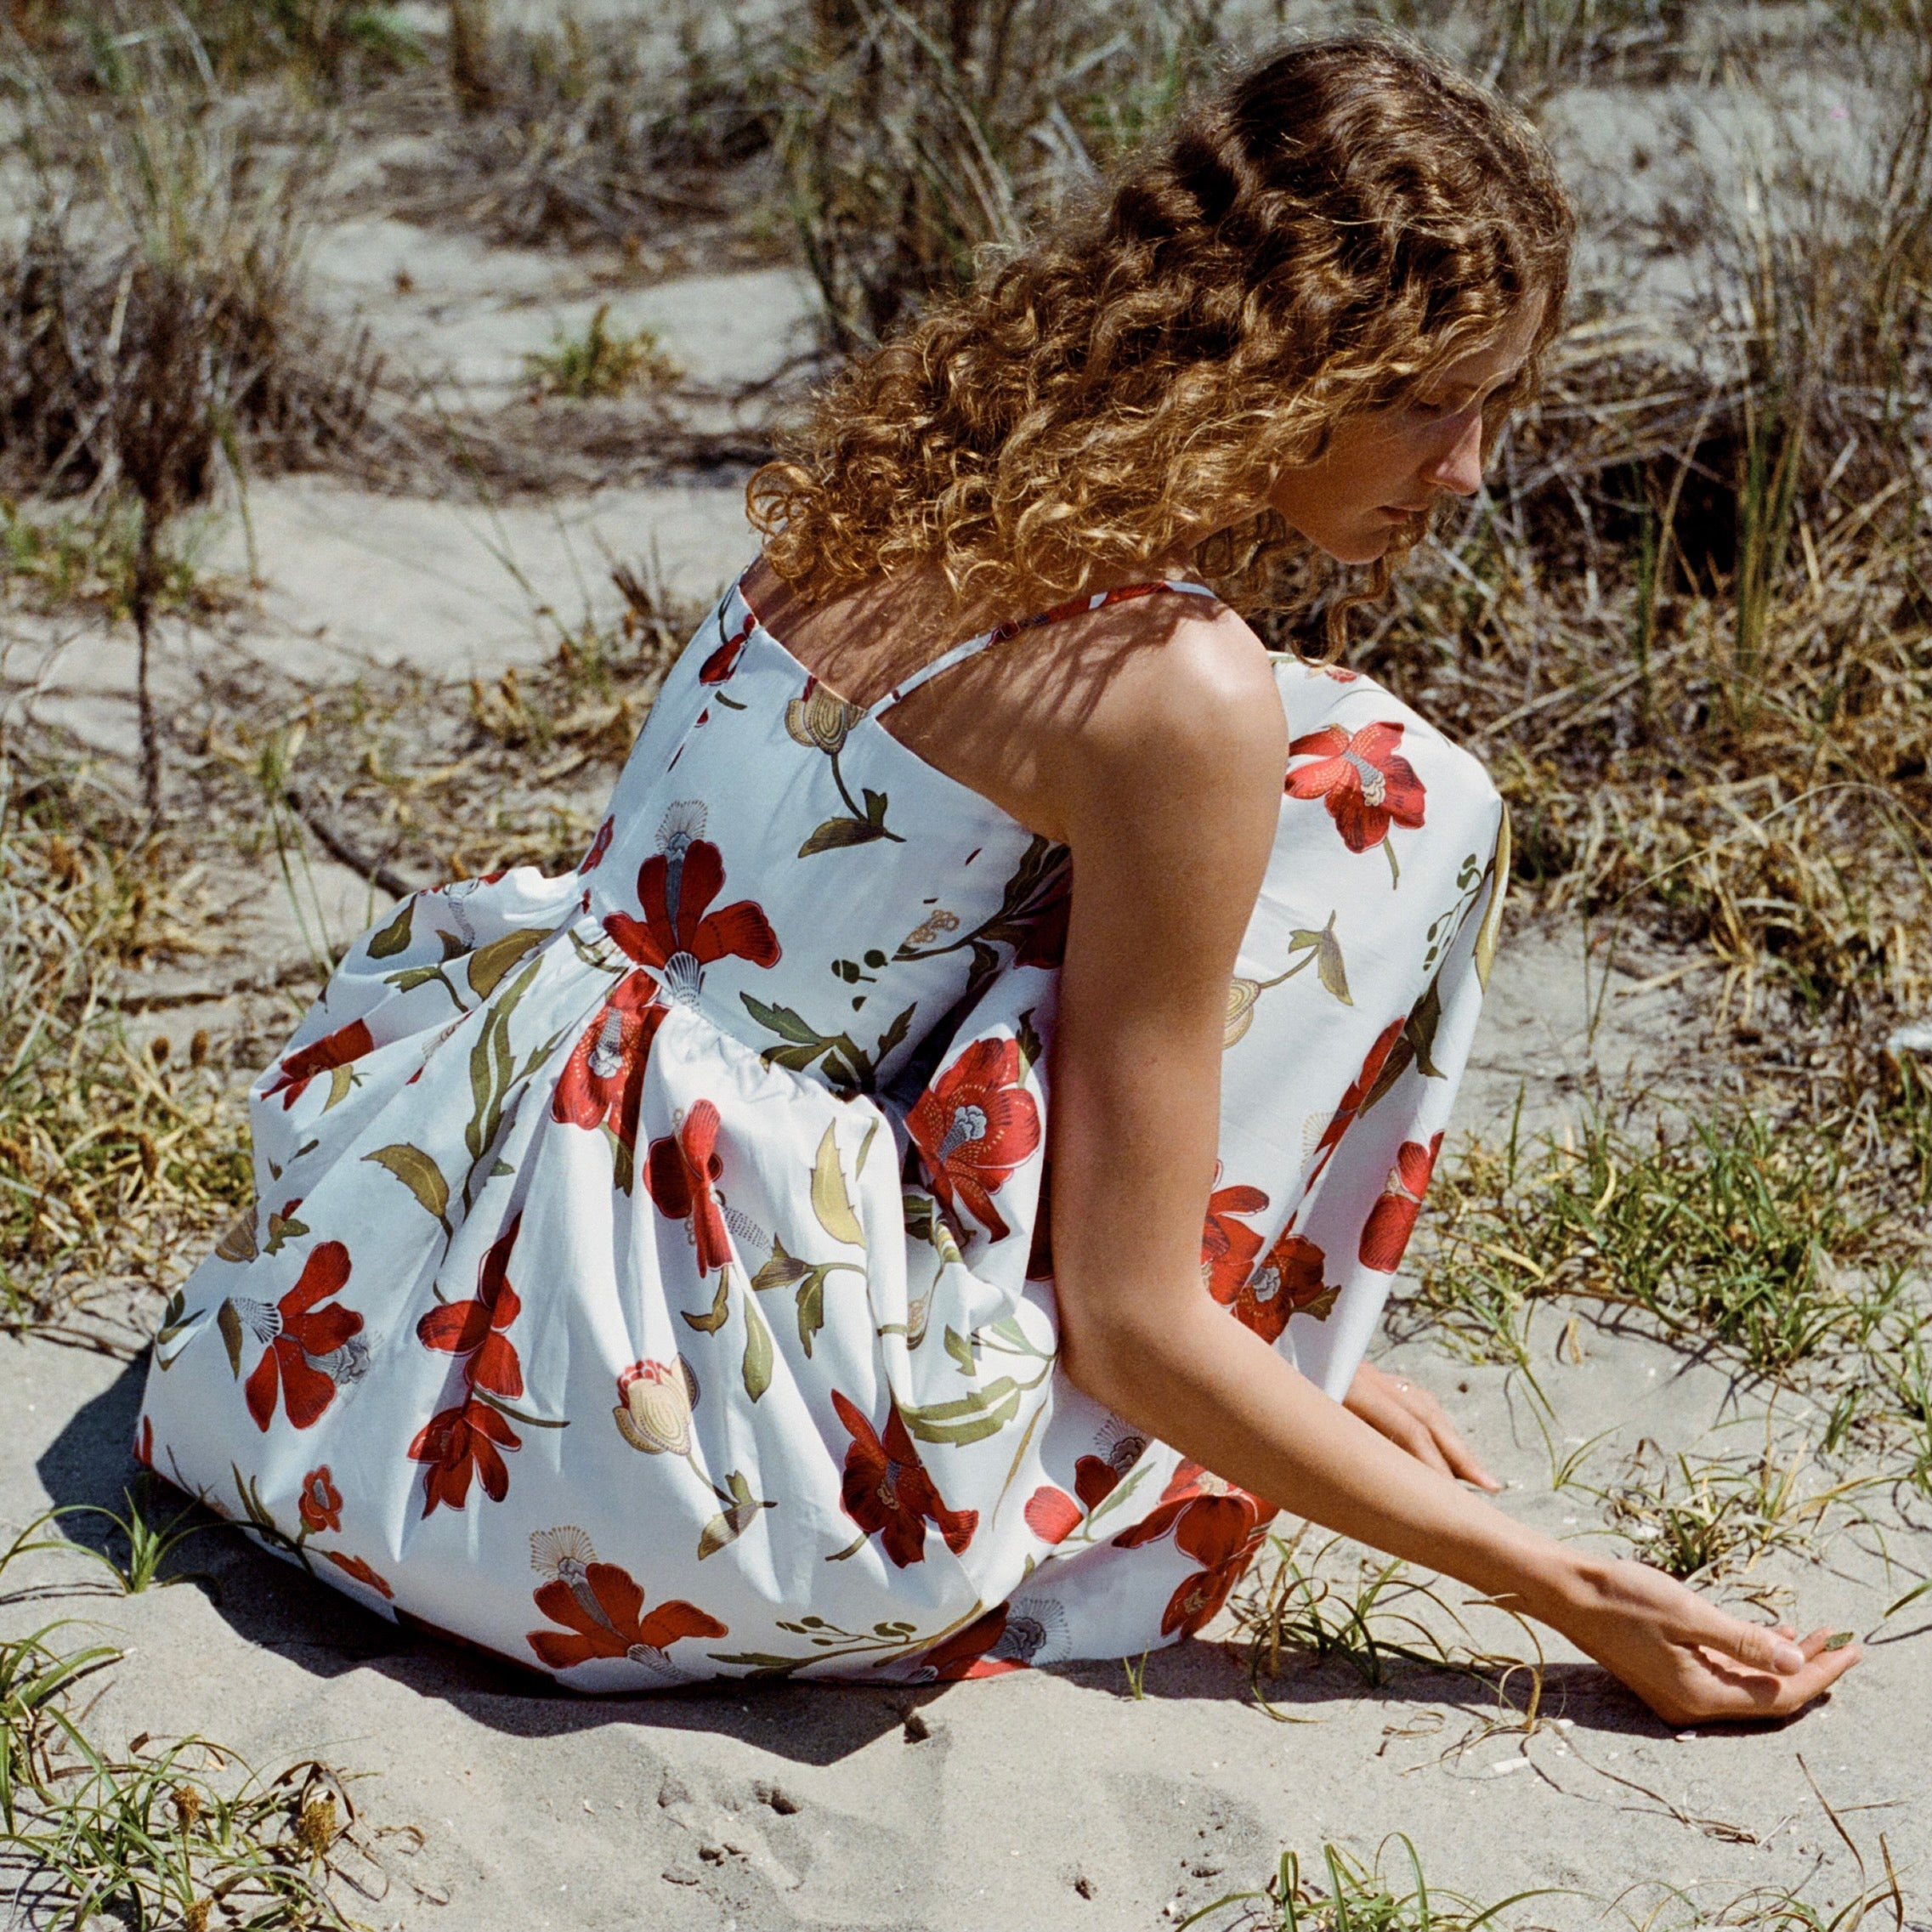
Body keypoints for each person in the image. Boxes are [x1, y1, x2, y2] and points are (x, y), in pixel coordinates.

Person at [137, 35, 1858, 1722]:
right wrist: (1562, 1585)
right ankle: (1207, 1390)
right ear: (1269, 357)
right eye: (1424, 401)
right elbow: (1125, 1328)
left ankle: (1242, 1363)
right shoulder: (1180, 694)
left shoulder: (916, 481)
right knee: (1412, 803)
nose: (1468, 469)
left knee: (1343, 764)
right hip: (644, 1469)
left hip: (369, 1324)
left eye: (1499, 404)